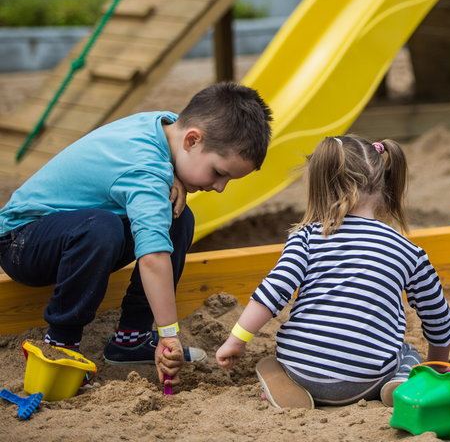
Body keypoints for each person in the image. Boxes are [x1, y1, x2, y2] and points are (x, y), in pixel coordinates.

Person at [0, 82, 273, 388]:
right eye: (219, 173)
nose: (219, 187)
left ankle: (131, 339)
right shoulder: (145, 171)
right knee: (102, 227)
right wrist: (169, 334)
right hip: (22, 241)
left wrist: (172, 174)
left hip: (66, 232)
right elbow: (153, 257)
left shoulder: (166, 126)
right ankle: (61, 343)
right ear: (193, 140)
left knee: (178, 218)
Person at [215, 134, 450, 408]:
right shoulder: (407, 250)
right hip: (368, 377)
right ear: (383, 184)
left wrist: (237, 339)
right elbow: (439, 318)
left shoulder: (306, 237)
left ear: (321, 187)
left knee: (271, 361)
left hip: (302, 368)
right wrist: (438, 368)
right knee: (407, 353)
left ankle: (286, 380)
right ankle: (400, 383)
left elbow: (273, 291)